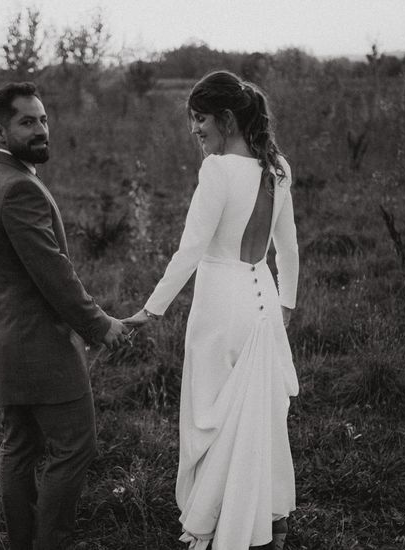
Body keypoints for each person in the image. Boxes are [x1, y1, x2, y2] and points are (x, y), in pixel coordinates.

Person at [123, 71, 299, 550]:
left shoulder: (218, 171)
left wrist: (151, 309)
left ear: (225, 119)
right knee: (257, 415)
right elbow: (288, 248)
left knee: (212, 416)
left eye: (200, 120)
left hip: (221, 304)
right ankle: (267, 519)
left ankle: (219, 521)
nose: (194, 130)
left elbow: (190, 250)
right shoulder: (278, 168)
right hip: (261, 302)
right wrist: (285, 305)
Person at [0, 82, 129, 550]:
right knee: (75, 447)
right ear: (0, 129)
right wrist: (100, 325)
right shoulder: (19, 188)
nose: (41, 129)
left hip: (2, 343)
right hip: (38, 350)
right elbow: (54, 274)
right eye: (27, 121)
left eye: (43, 119)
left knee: (19, 447)